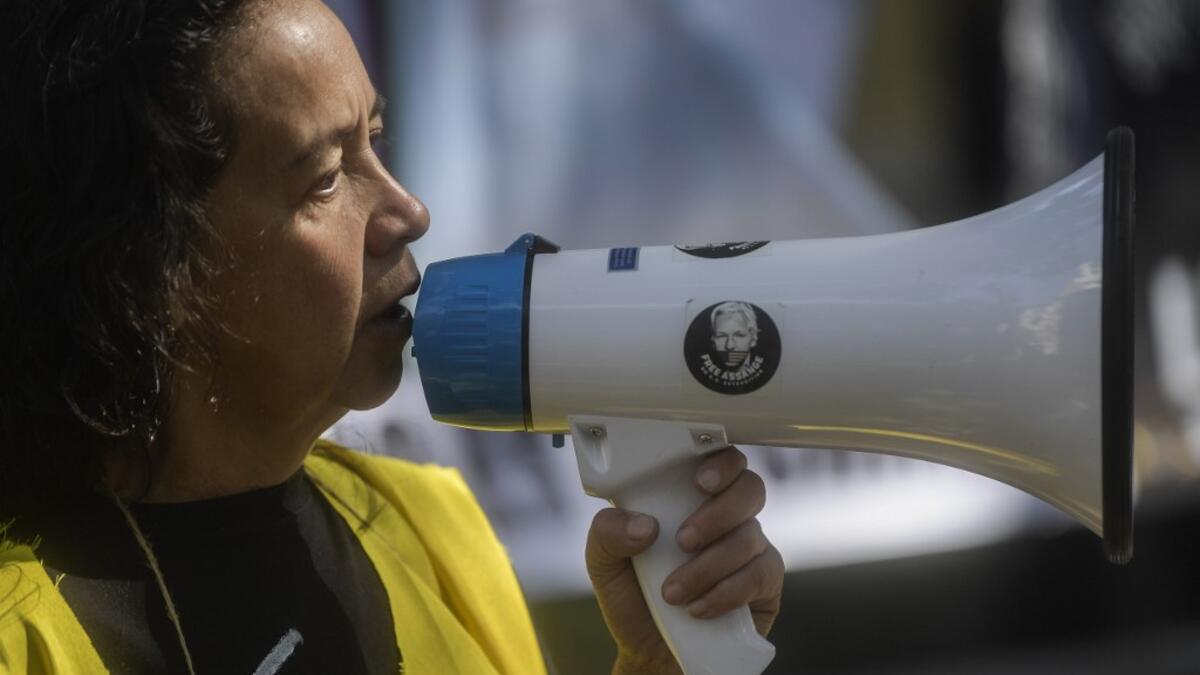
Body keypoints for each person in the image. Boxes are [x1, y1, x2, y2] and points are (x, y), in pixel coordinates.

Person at [0, 1, 784, 674]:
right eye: (327, 177)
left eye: (376, 137)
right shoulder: (24, 635)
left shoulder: (427, 519)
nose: (409, 212)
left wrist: (657, 664)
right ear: (147, 266)